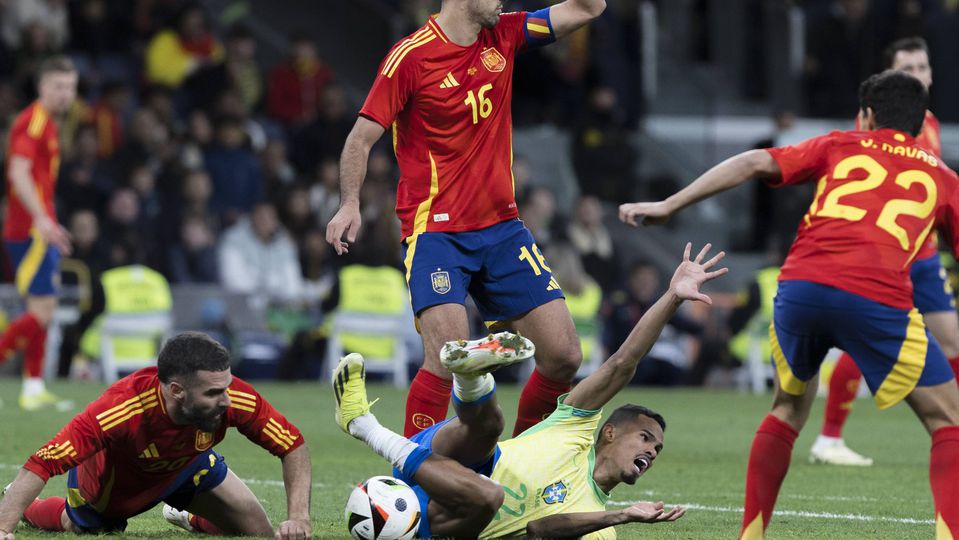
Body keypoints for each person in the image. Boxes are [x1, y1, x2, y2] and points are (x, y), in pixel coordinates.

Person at [619, 71, 959, 539]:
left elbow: (757, 161)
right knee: (949, 421)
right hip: (875, 295)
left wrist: (670, 205)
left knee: (787, 408)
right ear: (922, 125)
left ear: (866, 116)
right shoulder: (942, 176)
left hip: (801, 289)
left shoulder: (841, 143)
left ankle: (751, 535)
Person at [327, 0, 607, 438]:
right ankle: (415, 481)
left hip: (502, 229)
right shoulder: (411, 57)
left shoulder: (506, 33)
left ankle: (523, 464)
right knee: (444, 357)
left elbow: (589, 8)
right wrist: (349, 203)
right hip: (436, 232)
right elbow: (360, 139)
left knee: (564, 355)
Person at [334, 243, 726, 538]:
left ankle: (366, 424)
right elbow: (622, 363)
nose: (651, 452)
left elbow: (539, 530)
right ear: (610, 431)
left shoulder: (599, 526)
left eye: (656, 449)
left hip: (441, 520)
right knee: (490, 429)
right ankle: (469, 375)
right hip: (445, 458)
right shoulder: (575, 429)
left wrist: (619, 515)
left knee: (489, 496)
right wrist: (673, 297)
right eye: (645, 438)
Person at [0, 332, 312, 540]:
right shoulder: (121, 409)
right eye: (214, 392)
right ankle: (23, 501)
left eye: (227, 386)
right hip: (114, 486)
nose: (227, 400)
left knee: (259, 533)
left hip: (188, 465)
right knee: (77, 525)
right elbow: (45, 461)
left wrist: (299, 518)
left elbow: (292, 444)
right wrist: (3, 527)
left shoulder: (230, 395)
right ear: (176, 391)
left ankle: (186, 516)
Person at [811, 36, 957, 467]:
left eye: (922, 67)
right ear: (890, 77)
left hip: (924, 253)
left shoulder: (930, 121)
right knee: (863, 342)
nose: (917, 75)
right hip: (888, 253)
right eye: (907, 69)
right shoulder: (871, 123)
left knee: (950, 338)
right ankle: (829, 438)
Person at [0, 56, 76, 410]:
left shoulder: (47, 123)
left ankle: (32, 387)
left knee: (42, 306)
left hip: (39, 226)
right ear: (42, 86)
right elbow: (18, 173)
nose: (65, 94)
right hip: (29, 230)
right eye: (58, 86)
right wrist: (42, 220)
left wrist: (49, 219)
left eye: (70, 87)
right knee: (44, 311)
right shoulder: (31, 122)